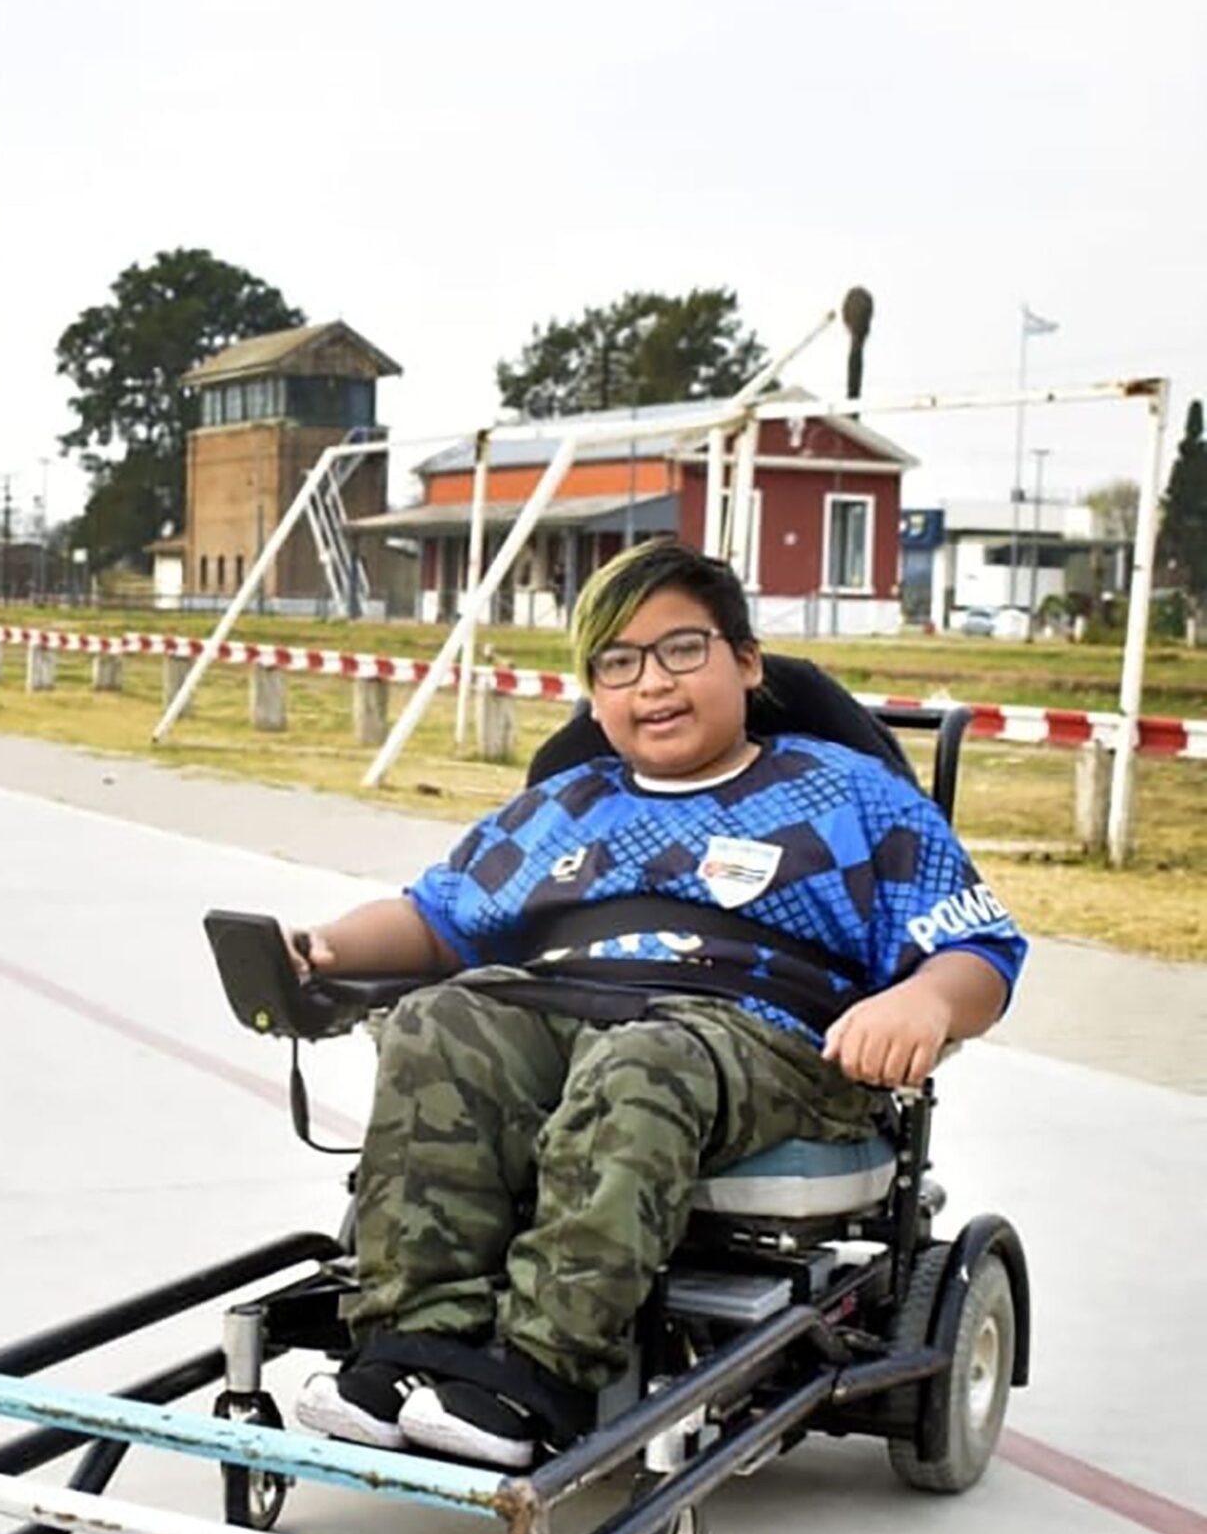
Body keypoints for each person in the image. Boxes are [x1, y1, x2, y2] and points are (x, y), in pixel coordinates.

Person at [288, 539, 1027, 1471]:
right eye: (618, 664)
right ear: (594, 691)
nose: (652, 685)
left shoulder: (847, 794)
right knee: (441, 1020)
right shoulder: (567, 801)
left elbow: (977, 945)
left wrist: (924, 998)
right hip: (568, 999)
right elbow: (436, 918)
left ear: (747, 662)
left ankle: (540, 1369)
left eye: (682, 650)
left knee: (642, 1059)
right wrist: (321, 948)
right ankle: (412, 1346)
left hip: (764, 1035)